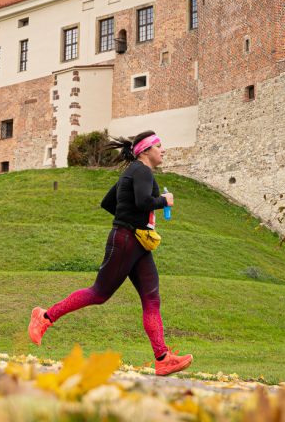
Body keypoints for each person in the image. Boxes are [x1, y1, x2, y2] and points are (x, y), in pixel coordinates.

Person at [27, 130, 193, 376]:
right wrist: (164, 200)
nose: (163, 150)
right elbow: (143, 202)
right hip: (126, 240)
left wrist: (129, 216)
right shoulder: (142, 171)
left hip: (138, 242)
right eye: (159, 146)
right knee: (99, 293)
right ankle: (45, 316)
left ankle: (163, 358)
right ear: (146, 150)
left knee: (151, 299)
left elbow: (108, 202)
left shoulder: (133, 172)